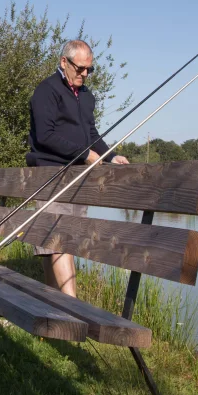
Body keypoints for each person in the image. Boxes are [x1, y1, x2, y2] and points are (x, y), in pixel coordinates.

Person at [27, 40, 129, 297]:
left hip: (77, 176)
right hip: (51, 174)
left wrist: (109, 156)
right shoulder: (46, 91)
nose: (85, 74)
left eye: (89, 70)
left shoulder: (86, 96)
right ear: (64, 62)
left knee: (60, 242)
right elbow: (45, 136)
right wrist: (84, 154)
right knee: (61, 241)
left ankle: (54, 307)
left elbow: (91, 135)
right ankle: (72, 310)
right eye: (80, 68)